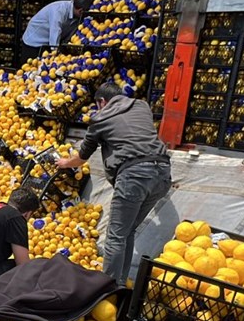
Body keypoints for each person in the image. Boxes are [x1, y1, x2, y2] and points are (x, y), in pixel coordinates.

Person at [56, 82, 172, 284]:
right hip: (163, 173)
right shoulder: (141, 106)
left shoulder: (99, 119)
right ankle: (119, 283)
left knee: (116, 236)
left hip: (134, 175)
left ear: (102, 102)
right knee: (127, 231)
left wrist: (65, 162)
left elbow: (82, 157)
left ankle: (106, 289)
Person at [19, 0, 95, 64]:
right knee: (30, 67)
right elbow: (55, 33)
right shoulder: (59, 11)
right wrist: (56, 56)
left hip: (47, 43)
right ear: (80, 11)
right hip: (34, 40)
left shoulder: (76, 15)